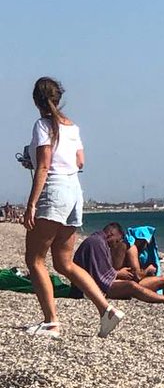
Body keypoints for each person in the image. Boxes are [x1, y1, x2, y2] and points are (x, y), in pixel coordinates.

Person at [22, 77, 124, 338]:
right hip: (74, 191)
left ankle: (51, 321)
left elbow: (45, 165)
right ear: (59, 98)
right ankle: (106, 310)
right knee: (64, 262)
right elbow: (80, 161)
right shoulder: (73, 127)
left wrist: (31, 203)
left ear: (37, 101)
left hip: (54, 190)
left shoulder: (43, 125)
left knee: (34, 260)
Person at [74, 224, 164, 303]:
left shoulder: (99, 242)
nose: (115, 244)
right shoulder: (100, 243)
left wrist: (117, 273)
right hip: (97, 287)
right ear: (111, 234)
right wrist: (146, 270)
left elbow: (99, 269)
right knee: (134, 285)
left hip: (95, 284)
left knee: (160, 281)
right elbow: (101, 274)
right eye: (117, 240)